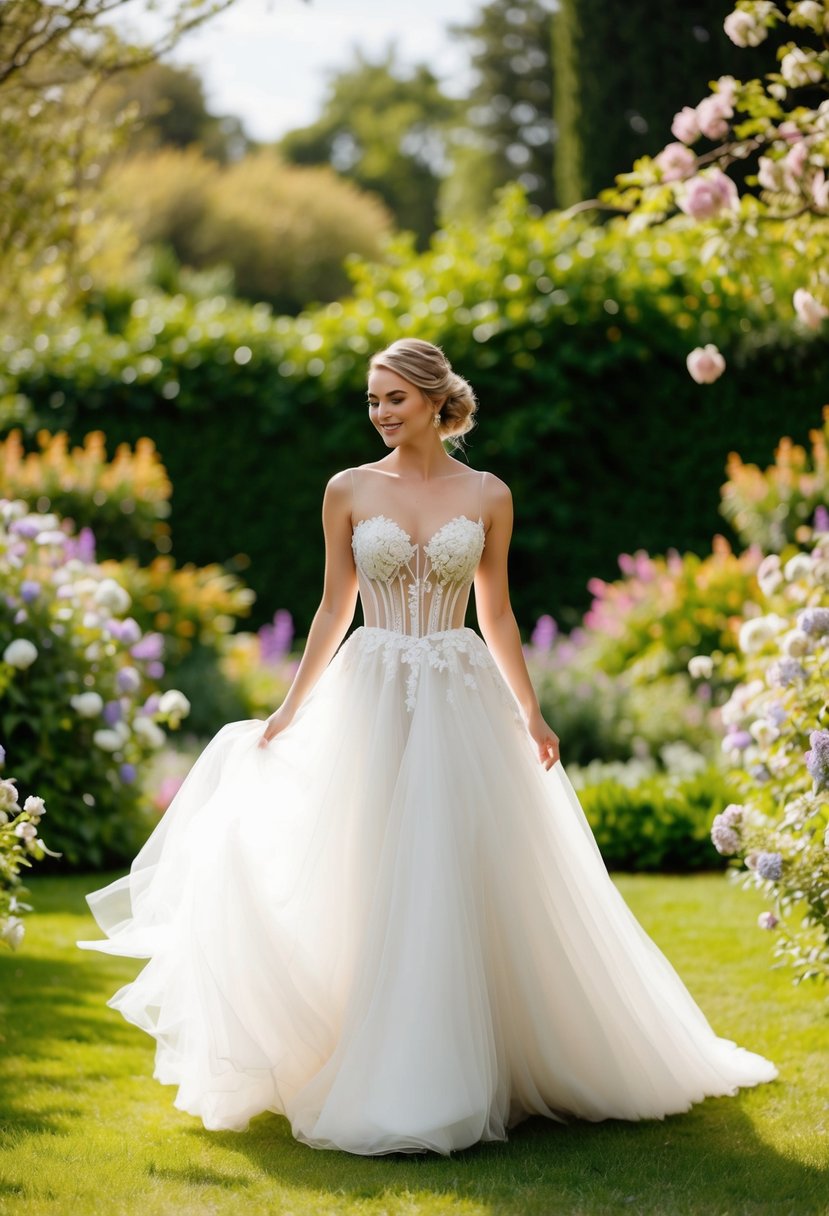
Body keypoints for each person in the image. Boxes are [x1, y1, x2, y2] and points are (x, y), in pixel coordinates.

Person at [78, 338, 778, 1157]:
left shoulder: (486, 494)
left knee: (451, 873)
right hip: (368, 694)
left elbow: (500, 613)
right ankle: (361, 1054)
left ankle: (462, 1068)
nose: (379, 414)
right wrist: (290, 708)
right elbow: (333, 609)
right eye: (371, 401)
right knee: (364, 870)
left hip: (456, 689)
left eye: (393, 400)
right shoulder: (346, 489)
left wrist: (532, 713)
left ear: (433, 399)